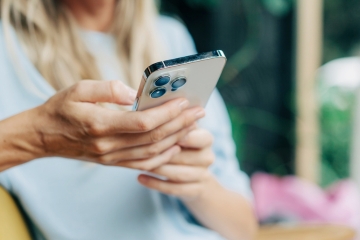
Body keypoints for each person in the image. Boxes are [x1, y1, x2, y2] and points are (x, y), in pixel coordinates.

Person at [0, 0, 257, 239]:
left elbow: (244, 228)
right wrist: (41, 137)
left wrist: (197, 183)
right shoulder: (9, 51)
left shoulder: (168, 37)